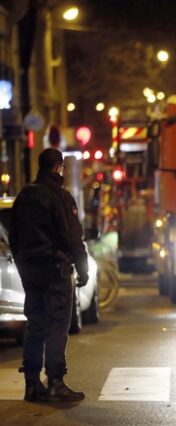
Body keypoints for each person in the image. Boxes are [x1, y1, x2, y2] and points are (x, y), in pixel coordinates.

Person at [9, 148, 89, 402]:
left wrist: (22, 262)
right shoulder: (61, 198)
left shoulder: (24, 197)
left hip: (30, 270)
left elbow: (13, 235)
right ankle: (55, 381)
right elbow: (73, 238)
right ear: (57, 168)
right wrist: (82, 269)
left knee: (35, 323)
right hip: (56, 269)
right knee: (57, 324)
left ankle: (32, 383)